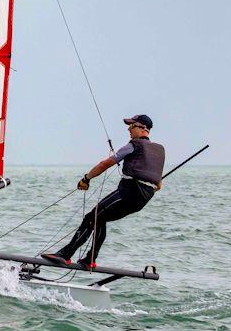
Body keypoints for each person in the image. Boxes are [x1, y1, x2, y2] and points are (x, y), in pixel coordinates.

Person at [42, 114, 165, 269]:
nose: (128, 129)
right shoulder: (159, 150)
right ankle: (90, 260)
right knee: (100, 219)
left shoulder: (134, 145)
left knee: (91, 217)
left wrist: (86, 178)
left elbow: (105, 164)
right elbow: (158, 184)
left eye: (131, 126)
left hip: (129, 192)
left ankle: (65, 255)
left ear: (142, 128)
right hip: (144, 198)